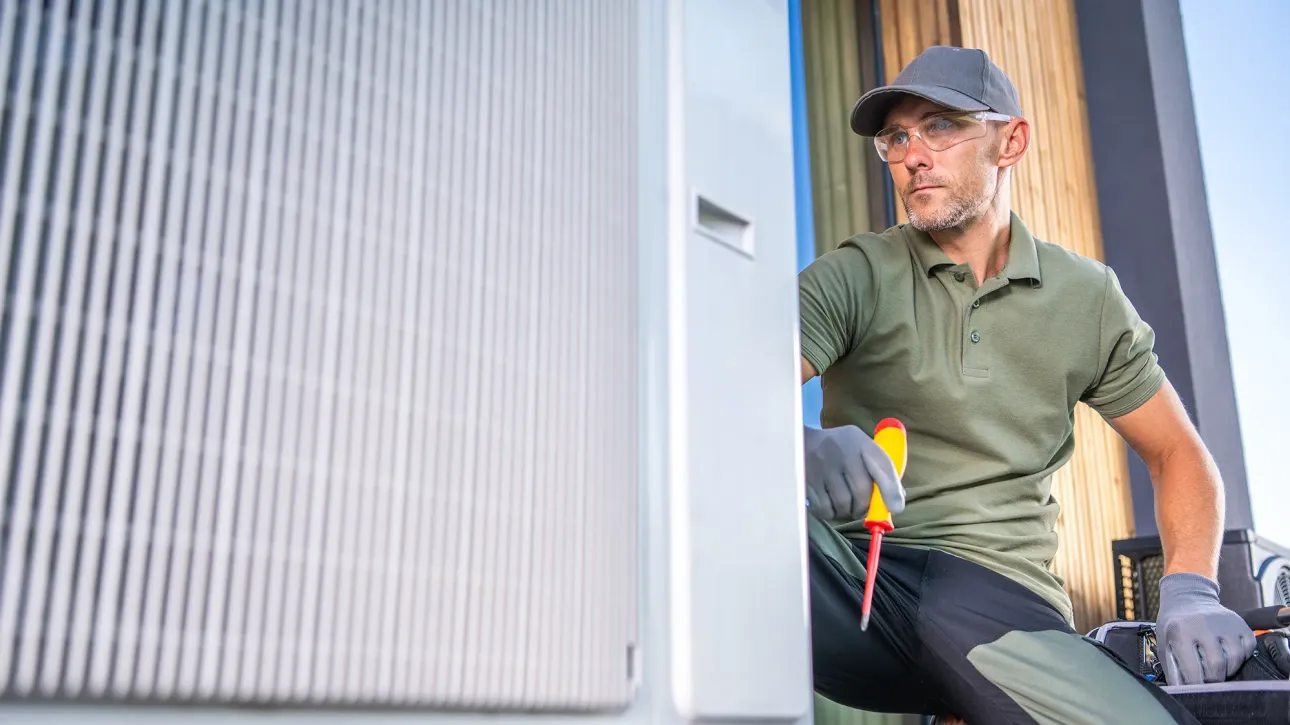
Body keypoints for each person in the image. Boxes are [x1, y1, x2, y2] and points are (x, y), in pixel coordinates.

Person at [799, 45, 1256, 724]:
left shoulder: (1087, 297)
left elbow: (1177, 453)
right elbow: (713, 384)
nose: (913, 154)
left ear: (1010, 140)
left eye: (941, 126)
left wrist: (1190, 588)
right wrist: (793, 442)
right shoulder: (854, 275)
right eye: (896, 136)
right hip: (861, 582)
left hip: (995, 594)